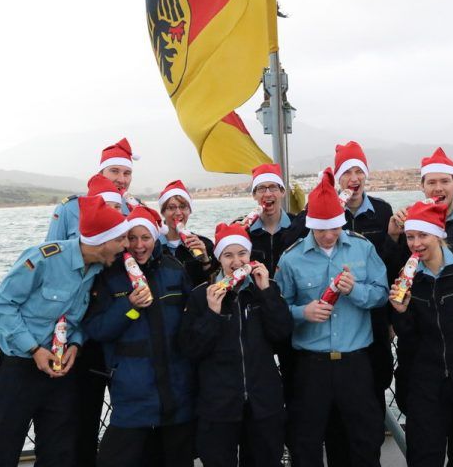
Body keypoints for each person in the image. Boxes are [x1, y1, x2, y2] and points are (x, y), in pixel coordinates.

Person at [0, 196, 130, 467]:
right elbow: (3, 303)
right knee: (0, 447)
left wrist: (75, 345)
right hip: (19, 367)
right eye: (121, 239)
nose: (126, 245)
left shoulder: (96, 270)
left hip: (59, 372)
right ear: (101, 241)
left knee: (59, 451)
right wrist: (34, 349)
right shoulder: (44, 258)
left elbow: (79, 320)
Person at [282, 142, 394, 467]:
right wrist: (304, 313)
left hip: (355, 364)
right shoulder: (291, 261)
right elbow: (278, 311)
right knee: (306, 444)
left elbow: (381, 293)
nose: (329, 235)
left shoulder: (362, 249)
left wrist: (355, 290)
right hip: (311, 366)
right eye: (320, 229)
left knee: (363, 442)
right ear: (310, 225)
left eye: (334, 227)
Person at [388, 147, 453, 466]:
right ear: (422, 186)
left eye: (444, 181)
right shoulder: (406, 225)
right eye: (431, 182)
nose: (438, 188)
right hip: (421, 356)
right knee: (426, 443)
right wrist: (392, 235)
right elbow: (393, 270)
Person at [84, 205, 195, 467]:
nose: (138, 245)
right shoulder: (110, 276)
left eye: (145, 238)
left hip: (176, 389)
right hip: (132, 393)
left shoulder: (173, 269)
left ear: (155, 238)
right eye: (131, 238)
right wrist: (129, 307)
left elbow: (192, 321)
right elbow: (97, 329)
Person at [180, 223, 292, 467]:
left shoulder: (265, 288)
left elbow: (282, 333)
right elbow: (191, 349)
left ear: (250, 256)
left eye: (242, 254)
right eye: (228, 255)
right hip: (219, 405)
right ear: (219, 258)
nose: (236, 261)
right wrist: (212, 314)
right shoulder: (201, 295)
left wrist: (267, 293)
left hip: (262, 403)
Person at [46, 137, 138, 241]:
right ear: (100, 174)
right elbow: (51, 253)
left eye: (127, 173)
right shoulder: (68, 209)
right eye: (114, 171)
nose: (121, 180)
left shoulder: (135, 207)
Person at [158, 180, 218, 286]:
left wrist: (205, 259)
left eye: (183, 207)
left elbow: (215, 285)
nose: (178, 213)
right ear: (163, 212)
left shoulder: (205, 244)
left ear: (189, 211)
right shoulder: (152, 245)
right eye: (171, 208)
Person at [245, 163, 295, 274]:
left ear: (283, 192)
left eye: (273, 187)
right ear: (254, 195)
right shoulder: (243, 229)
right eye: (261, 188)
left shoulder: (297, 225)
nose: (268, 194)